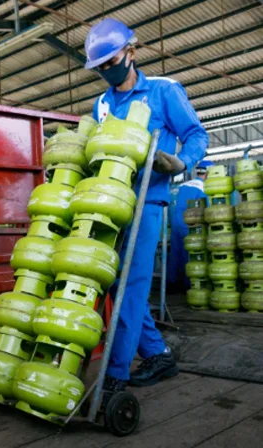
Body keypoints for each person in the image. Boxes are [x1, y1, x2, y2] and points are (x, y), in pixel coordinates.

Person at [83, 18, 209, 398]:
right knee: (112, 283)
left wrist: (182, 162)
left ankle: (115, 375)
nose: (107, 71)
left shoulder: (163, 91)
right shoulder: (102, 105)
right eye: (100, 67)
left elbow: (196, 134)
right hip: (109, 205)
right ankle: (158, 354)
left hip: (146, 204)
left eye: (111, 62)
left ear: (131, 52)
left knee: (131, 288)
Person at [168, 160, 213, 292]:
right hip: (190, 223)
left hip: (176, 221)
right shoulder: (203, 188)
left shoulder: (183, 185)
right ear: (208, 172)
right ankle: (188, 284)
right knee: (191, 253)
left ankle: (171, 283)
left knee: (175, 252)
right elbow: (207, 210)